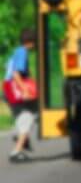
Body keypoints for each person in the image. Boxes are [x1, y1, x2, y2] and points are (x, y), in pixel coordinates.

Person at [4, 30, 36, 162]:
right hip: (14, 87)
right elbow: (16, 74)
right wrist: (25, 90)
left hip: (8, 88)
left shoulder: (17, 51)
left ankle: (22, 140)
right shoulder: (23, 52)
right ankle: (16, 151)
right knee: (28, 117)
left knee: (23, 116)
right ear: (31, 42)